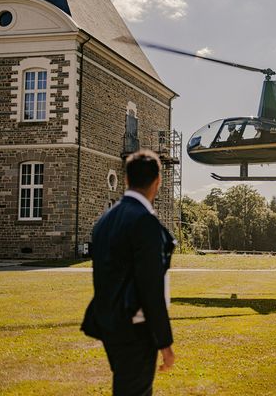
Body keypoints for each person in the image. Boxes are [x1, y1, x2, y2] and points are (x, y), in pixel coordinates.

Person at [81, 150, 176, 396]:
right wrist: (164, 342)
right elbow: (150, 288)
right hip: (135, 327)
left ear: (126, 180)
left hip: (110, 323)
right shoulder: (145, 221)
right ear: (158, 181)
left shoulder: (105, 220)